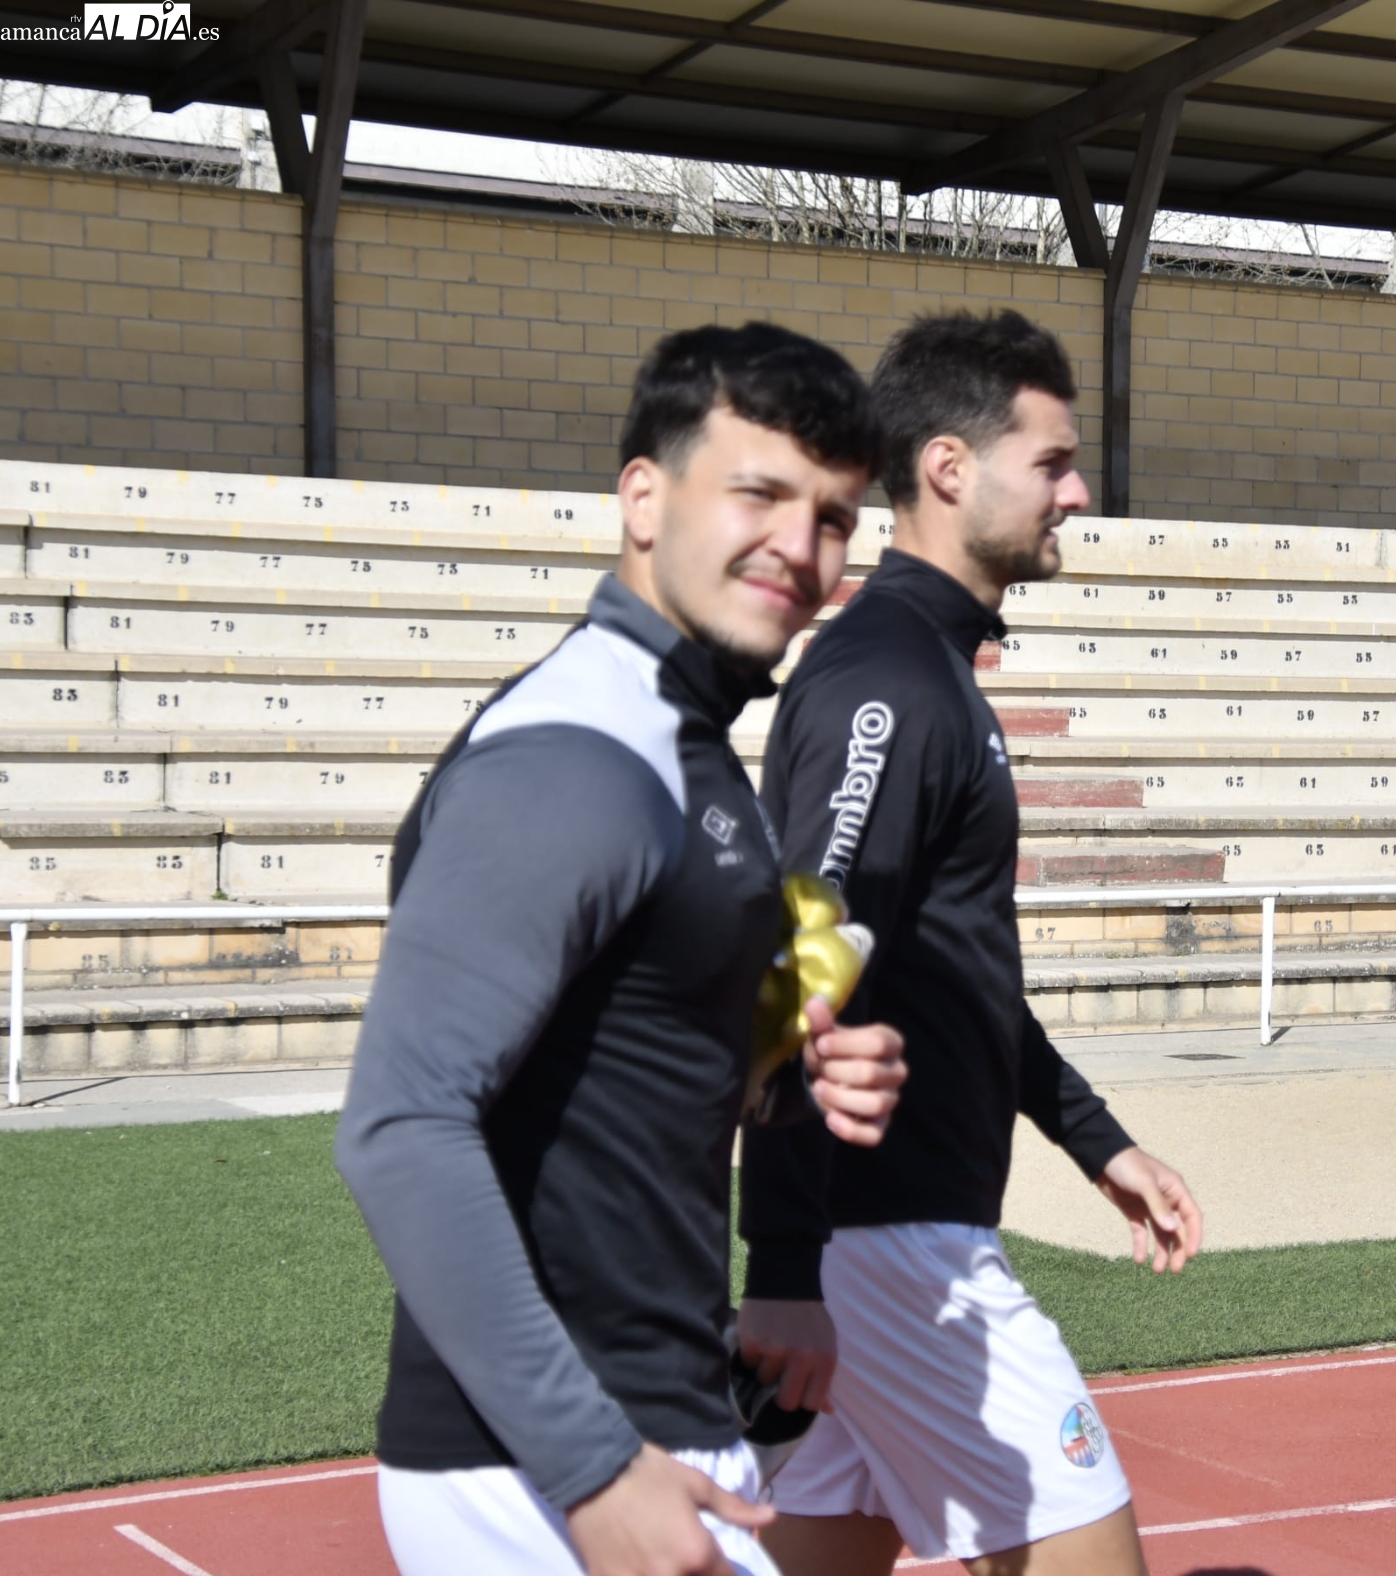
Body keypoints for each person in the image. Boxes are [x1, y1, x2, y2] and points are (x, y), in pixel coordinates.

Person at [335, 321, 907, 1576]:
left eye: (832, 516)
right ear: (642, 498)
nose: (801, 546)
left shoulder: (682, 739)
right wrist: (590, 1464)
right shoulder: (574, 755)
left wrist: (785, 1071)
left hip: (645, 1423)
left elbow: (625, 1064)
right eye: (759, 494)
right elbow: (400, 1123)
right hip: (545, 1465)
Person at [737, 310, 1203, 1576]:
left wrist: (1094, 1138)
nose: (1077, 492)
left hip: (881, 1239)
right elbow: (797, 970)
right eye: (1051, 462)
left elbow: (949, 971)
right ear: (947, 467)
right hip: (896, 1252)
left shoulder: (927, 672)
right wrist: (783, 1264)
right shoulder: (888, 683)